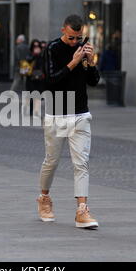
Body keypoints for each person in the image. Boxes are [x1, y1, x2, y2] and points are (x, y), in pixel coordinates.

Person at [38, 14, 100, 229]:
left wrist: (90, 63)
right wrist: (74, 62)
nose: (76, 42)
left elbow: (94, 81)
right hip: (56, 113)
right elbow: (50, 81)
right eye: (72, 38)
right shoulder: (52, 49)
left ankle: (82, 210)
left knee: (81, 163)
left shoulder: (84, 48)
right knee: (51, 161)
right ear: (63, 30)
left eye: (79, 37)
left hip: (81, 113)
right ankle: (44, 198)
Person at [24, 41, 45, 117]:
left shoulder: (42, 55)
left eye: (37, 46)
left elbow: (43, 63)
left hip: (39, 78)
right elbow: (28, 61)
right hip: (31, 78)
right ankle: (31, 111)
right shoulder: (30, 54)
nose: (36, 48)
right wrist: (35, 55)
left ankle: (36, 111)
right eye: (34, 46)